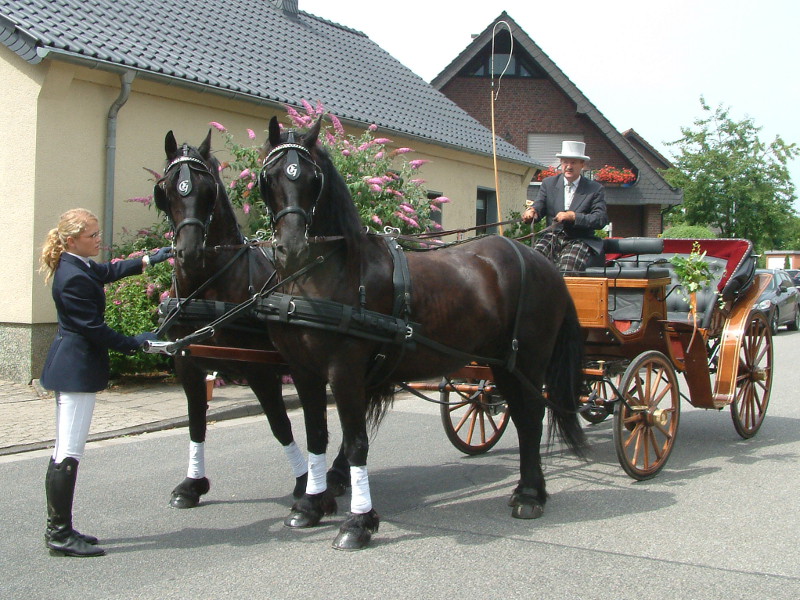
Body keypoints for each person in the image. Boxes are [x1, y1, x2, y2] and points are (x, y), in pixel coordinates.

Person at [38, 208, 171, 557]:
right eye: (92, 236)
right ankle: (59, 534)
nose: (99, 240)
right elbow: (94, 330)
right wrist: (137, 342)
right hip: (75, 370)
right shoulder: (72, 277)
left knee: (64, 451)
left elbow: (110, 271)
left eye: (98, 234)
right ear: (71, 240)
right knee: (67, 452)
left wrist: (153, 258)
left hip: (74, 367)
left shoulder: (78, 265)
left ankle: (61, 528)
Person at [522, 141, 609, 272]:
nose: (568, 166)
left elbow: (600, 219)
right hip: (552, 236)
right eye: (565, 162)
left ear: (582, 165)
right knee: (532, 263)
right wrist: (532, 211)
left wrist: (573, 216)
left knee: (566, 269)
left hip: (579, 239)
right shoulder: (548, 183)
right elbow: (540, 205)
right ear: (561, 163)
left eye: (573, 162)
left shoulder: (595, 189)